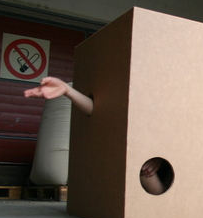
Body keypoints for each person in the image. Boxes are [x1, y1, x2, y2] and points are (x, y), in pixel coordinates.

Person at [24, 77, 169, 195]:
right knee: (144, 168)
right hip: (133, 164)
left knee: (150, 174)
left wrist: (159, 159)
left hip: (158, 164)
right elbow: (98, 111)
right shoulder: (127, 106)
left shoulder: (167, 109)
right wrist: (67, 90)